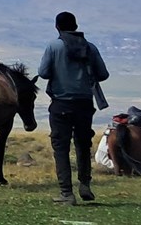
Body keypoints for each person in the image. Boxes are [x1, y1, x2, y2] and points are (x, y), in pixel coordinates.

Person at [38, 11, 109, 205]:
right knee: (83, 144)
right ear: (76, 26)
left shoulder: (53, 46)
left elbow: (43, 73)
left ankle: (66, 193)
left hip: (61, 103)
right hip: (85, 104)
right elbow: (103, 74)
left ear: (57, 27)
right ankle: (85, 184)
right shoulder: (90, 47)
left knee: (61, 148)